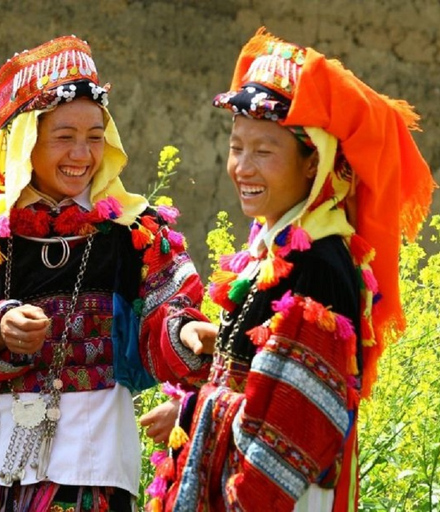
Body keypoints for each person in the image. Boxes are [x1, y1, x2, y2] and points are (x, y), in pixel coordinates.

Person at [0, 35, 209, 511]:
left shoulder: (135, 229)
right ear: (26, 140)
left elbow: (171, 311)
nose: (82, 155)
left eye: (95, 137)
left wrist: (187, 334)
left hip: (93, 464)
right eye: (64, 137)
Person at [144, 28, 435, 511]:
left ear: (312, 165)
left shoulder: (318, 264)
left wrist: (194, 413)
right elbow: (262, 382)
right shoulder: (276, 251)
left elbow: (288, 433)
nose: (243, 167)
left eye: (264, 151)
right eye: (237, 148)